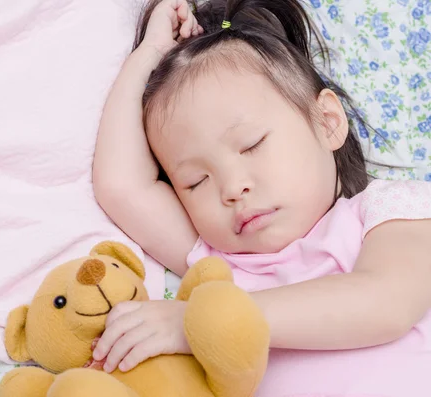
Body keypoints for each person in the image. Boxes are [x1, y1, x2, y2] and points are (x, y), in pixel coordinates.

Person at [92, 0, 431, 394]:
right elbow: (120, 186)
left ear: (327, 122)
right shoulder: (221, 266)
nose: (232, 189)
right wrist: (148, 54)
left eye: (251, 145)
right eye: (196, 181)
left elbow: (386, 303)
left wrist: (195, 324)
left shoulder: (386, 214)